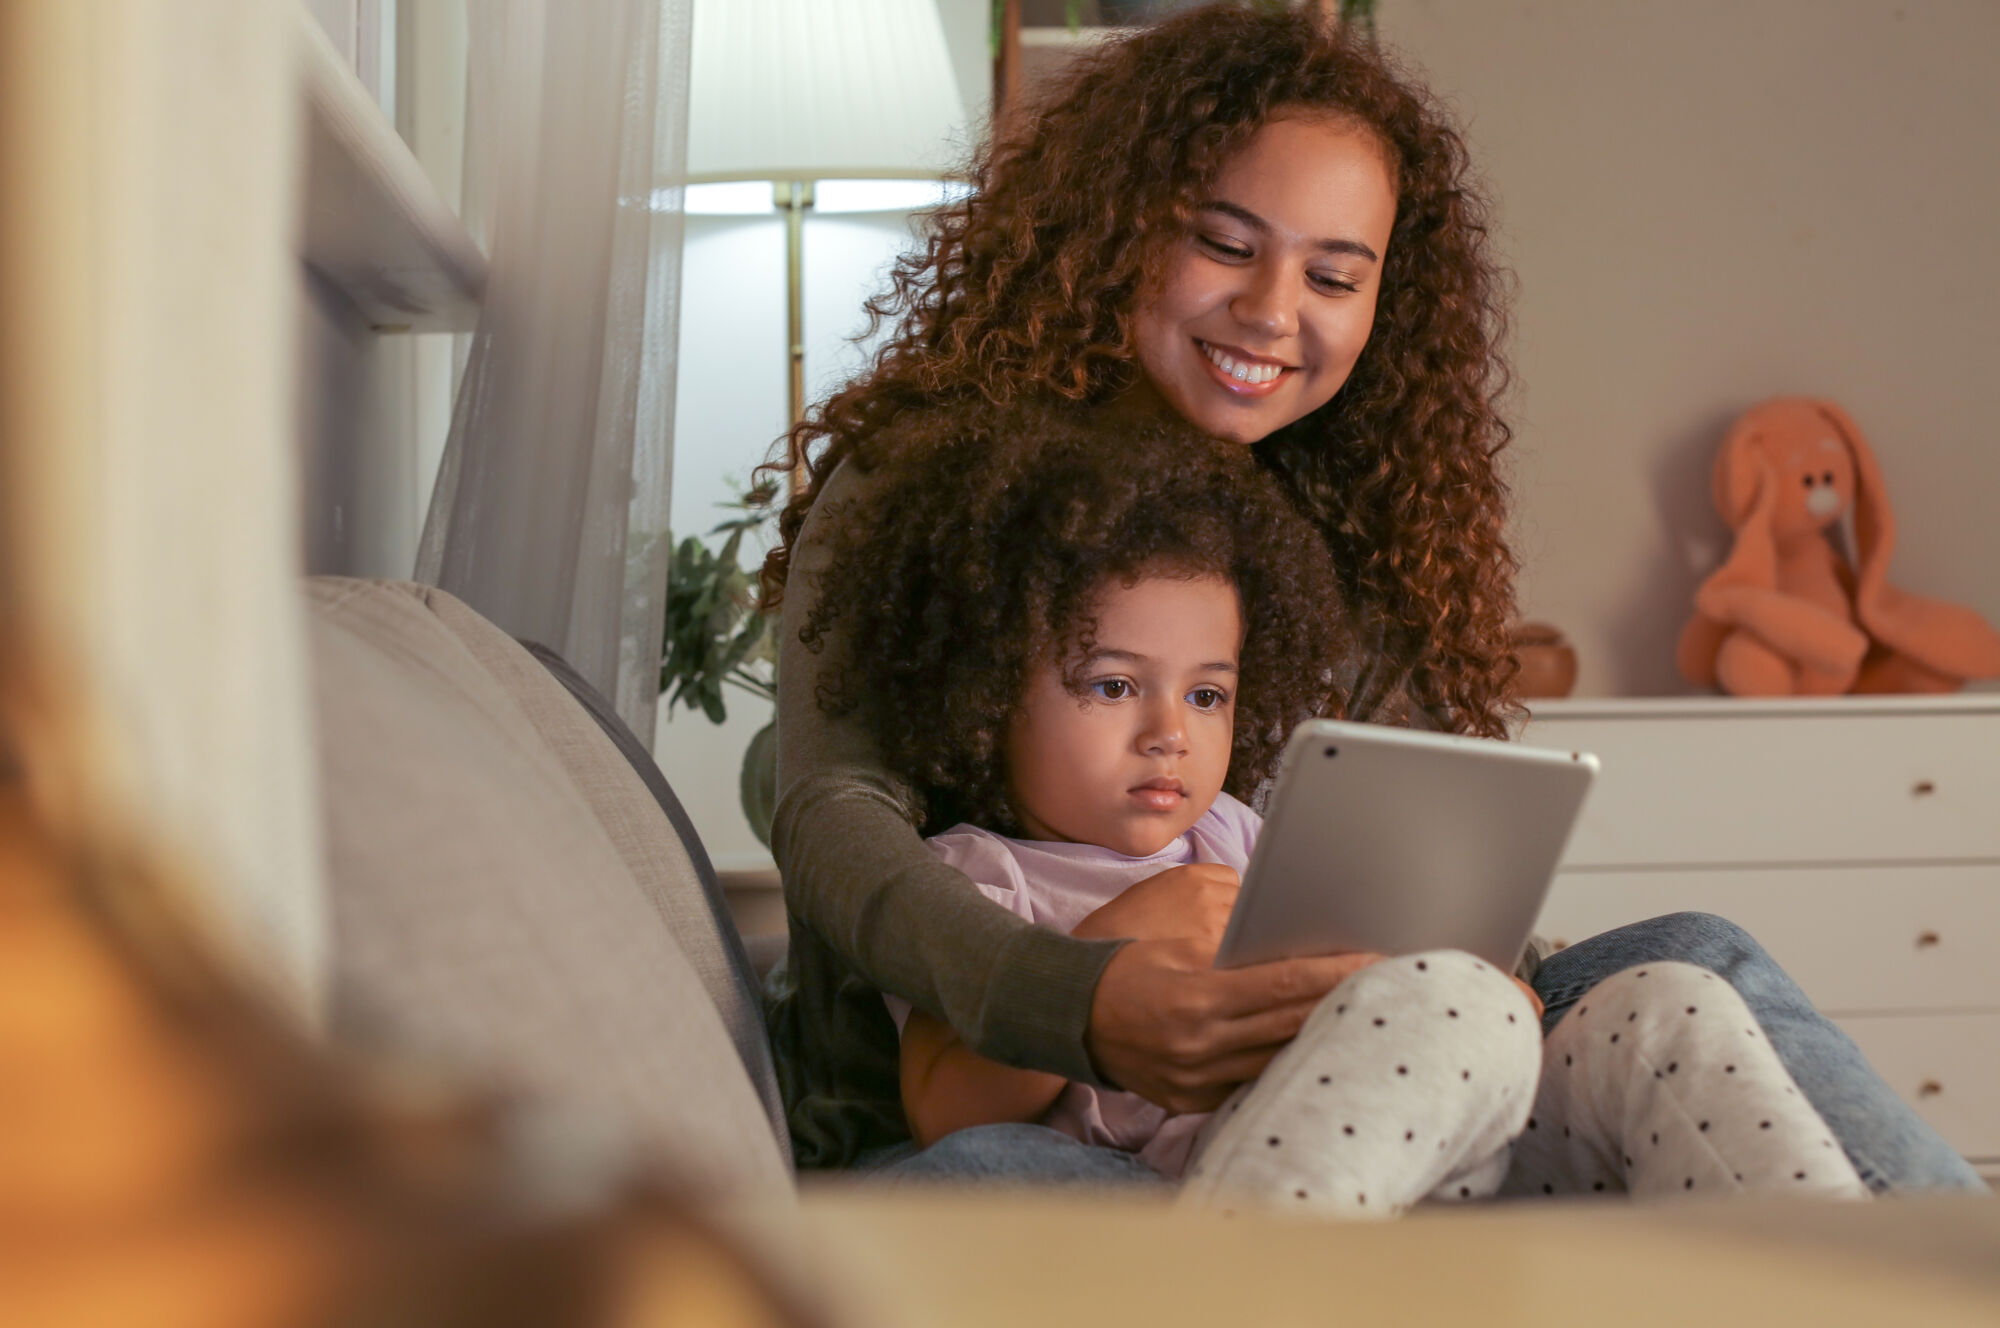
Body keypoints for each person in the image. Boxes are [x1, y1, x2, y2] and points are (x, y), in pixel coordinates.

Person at [758, 4, 1983, 1192]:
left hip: (1310, 1048)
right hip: (1022, 1104)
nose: (1273, 312)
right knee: (1001, 1176)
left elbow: (1404, 881)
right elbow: (829, 810)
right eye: (1225, 245)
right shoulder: (931, 482)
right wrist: (1076, 999)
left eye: (1334, 276)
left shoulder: (1332, 520)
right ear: (1114, 226)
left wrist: (1493, 967)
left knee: (1695, 961)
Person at [798, 408, 1865, 1213]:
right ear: (988, 696)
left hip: (1420, 1146)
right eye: (1111, 685)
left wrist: (1467, 969)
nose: (1169, 729)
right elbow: (944, 1112)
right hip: (1241, 1183)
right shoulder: (983, 874)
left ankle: (1844, 1293)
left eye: (1206, 692)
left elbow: (1373, 971)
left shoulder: (1239, 835)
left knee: (1661, 1004)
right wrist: (1108, 938)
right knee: (1465, 1010)